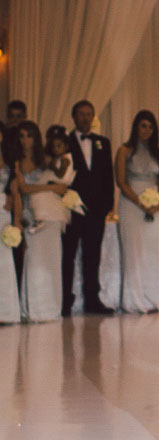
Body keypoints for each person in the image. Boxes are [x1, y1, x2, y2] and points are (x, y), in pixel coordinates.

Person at [18, 122, 74, 323]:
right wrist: (50, 188)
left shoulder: (46, 159)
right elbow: (24, 189)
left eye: (29, 135)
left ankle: (51, 307)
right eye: (22, 136)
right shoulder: (16, 161)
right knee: (33, 261)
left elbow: (61, 179)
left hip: (50, 214)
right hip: (29, 214)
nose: (25, 140)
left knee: (52, 262)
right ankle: (33, 309)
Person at [62, 99, 115, 316]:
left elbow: (108, 175)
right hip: (71, 208)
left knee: (93, 255)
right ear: (74, 117)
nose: (85, 118)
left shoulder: (103, 143)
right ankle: (65, 300)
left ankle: (93, 299)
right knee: (67, 255)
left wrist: (108, 204)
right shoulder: (64, 142)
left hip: (96, 210)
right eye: (81, 114)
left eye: (89, 114)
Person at [115, 110, 159, 314]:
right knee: (133, 252)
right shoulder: (124, 150)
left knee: (152, 252)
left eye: (150, 127)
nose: (146, 130)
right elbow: (121, 182)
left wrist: (158, 201)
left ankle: (152, 299)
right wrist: (140, 203)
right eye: (143, 125)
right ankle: (133, 300)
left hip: (155, 205)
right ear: (136, 126)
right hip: (131, 204)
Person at [0, 130, 21, 323]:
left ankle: (5, 311)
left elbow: (15, 193)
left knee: (4, 263)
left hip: (4, 214)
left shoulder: (9, 160)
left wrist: (17, 221)